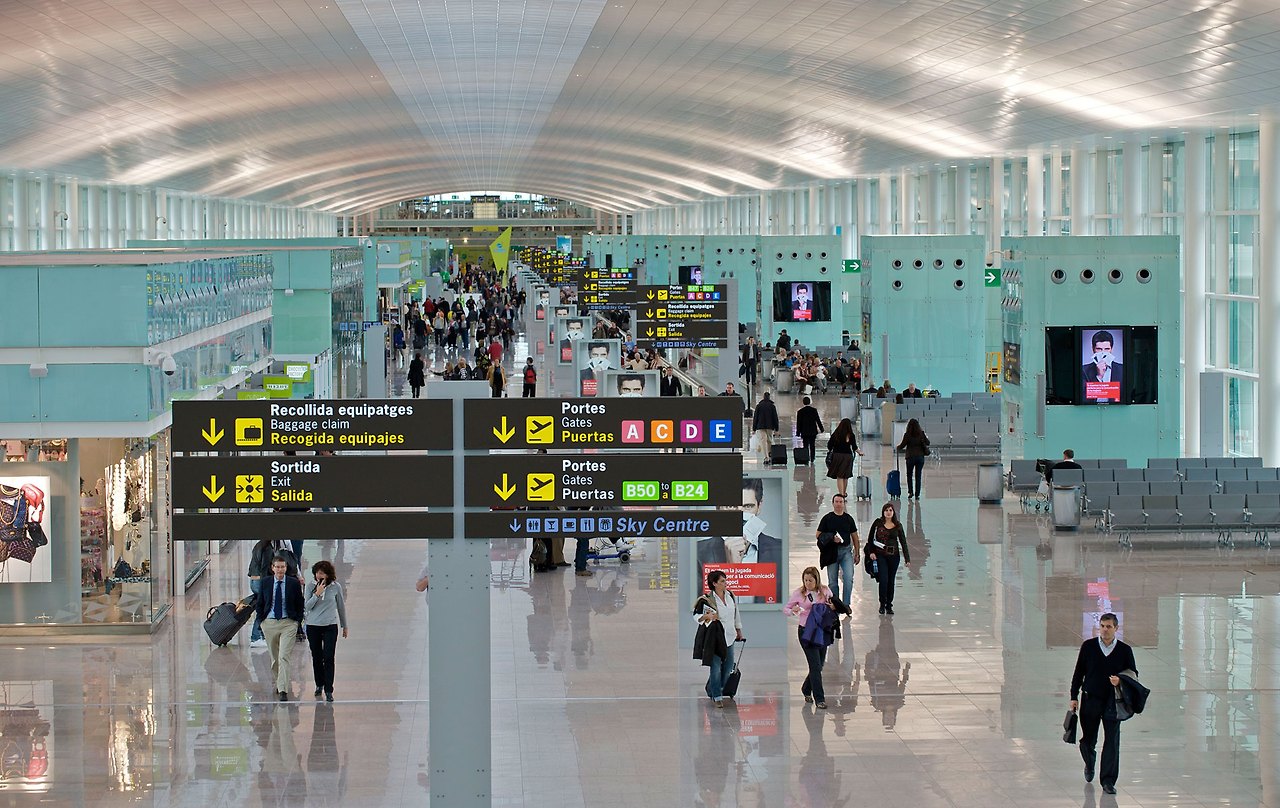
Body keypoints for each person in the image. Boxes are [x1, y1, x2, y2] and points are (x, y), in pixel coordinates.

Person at [1070, 613, 1138, 795]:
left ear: (1116, 628)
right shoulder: (1089, 647)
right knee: (1087, 740)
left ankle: (1108, 780)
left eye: (1109, 626)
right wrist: (1073, 696)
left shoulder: (1124, 650)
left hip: (1112, 702)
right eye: (1102, 626)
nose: (1105, 629)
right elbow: (1079, 673)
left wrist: (1120, 681)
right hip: (1090, 698)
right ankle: (1089, 761)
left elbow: (1133, 674)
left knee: (1112, 741)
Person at [784, 567, 835, 708]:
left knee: (819, 665)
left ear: (816, 580)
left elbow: (833, 603)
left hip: (822, 631)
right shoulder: (799, 594)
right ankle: (820, 699)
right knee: (815, 665)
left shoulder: (824, 591)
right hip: (806, 631)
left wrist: (832, 607)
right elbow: (786, 609)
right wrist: (792, 611)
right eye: (805, 580)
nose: (808, 583)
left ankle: (806, 688)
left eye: (810, 580)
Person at [257, 555, 305, 701]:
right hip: (270, 623)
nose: (280, 570)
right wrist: (261, 621)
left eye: (282, 567)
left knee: (284, 656)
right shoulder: (265, 583)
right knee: (274, 658)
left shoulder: (293, 583)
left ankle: (283, 689)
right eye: (277, 567)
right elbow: (260, 603)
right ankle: (280, 682)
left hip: (288, 623)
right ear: (272, 568)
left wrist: (297, 621)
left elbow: (299, 603)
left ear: (286, 568)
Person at [693, 570, 743, 707]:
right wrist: (705, 617)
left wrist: (739, 630)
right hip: (715, 639)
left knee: (727, 667)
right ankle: (717, 695)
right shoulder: (707, 600)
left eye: (725, 580)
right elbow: (696, 616)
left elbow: (735, 614)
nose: (725, 583)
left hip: (730, 636)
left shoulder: (730, 596)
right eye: (722, 581)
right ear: (714, 583)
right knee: (715, 668)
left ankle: (715, 688)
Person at [304, 560, 348, 703]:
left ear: (328, 575)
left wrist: (344, 625)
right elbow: (307, 607)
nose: (319, 576)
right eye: (317, 573)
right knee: (317, 657)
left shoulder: (336, 587)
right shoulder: (310, 586)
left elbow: (341, 606)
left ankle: (329, 689)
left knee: (329, 657)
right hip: (313, 625)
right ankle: (319, 684)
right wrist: (317, 594)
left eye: (322, 573)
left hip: (330, 625)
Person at [864, 502, 910, 615]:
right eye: (886, 510)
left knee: (891, 581)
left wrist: (907, 559)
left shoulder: (898, 525)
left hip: (894, 556)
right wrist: (871, 552)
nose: (888, 512)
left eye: (890, 510)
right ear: (883, 512)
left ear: (893, 512)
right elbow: (870, 539)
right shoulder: (877, 523)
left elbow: (903, 542)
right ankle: (882, 603)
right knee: (883, 580)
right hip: (880, 555)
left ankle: (889, 605)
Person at [816, 493, 859, 606]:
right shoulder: (827, 518)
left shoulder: (848, 519)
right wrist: (831, 537)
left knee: (848, 577)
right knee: (833, 581)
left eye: (841, 502)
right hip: (832, 552)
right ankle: (836, 604)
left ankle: (846, 604)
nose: (839, 504)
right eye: (837, 502)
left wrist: (857, 553)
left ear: (844, 504)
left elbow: (855, 537)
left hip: (846, 551)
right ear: (833, 503)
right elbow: (818, 534)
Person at [825, 418, 863, 497]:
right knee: (846, 476)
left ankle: (841, 493)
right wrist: (860, 452)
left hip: (837, 456)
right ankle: (844, 493)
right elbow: (854, 447)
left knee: (840, 476)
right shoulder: (851, 435)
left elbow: (829, 445)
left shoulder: (836, 434)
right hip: (848, 457)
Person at [1082, 330, 1124, 401]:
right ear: (1093, 349)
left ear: (1111, 349)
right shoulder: (1084, 370)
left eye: (1107, 349)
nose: (1103, 353)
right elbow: (1084, 399)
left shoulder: (1122, 369)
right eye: (1099, 349)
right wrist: (1099, 377)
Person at [896, 418, 930, 499]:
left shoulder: (907, 434)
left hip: (910, 457)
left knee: (909, 475)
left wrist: (898, 447)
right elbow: (928, 442)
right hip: (920, 457)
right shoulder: (921, 433)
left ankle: (910, 492)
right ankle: (917, 494)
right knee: (918, 476)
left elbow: (902, 446)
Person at [751, 391, 780, 462]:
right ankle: (770, 455)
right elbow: (775, 418)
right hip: (770, 426)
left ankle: (766, 457)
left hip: (760, 426)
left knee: (763, 441)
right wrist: (776, 429)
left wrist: (754, 428)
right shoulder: (772, 406)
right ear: (769, 397)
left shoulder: (759, 406)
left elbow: (755, 418)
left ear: (763, 397)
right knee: (769, 440)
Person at [795, 396, 824, 464]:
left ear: (803, 402)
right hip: (812, 431)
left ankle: (806, 457)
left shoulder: (800, 412)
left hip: (804, 431)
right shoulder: (814, 410)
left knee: (805, 445)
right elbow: (818, 420)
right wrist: (821, 428)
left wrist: (798, 432)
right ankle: (812, 458)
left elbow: (799, 423)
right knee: (812, 445)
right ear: (810, 402)